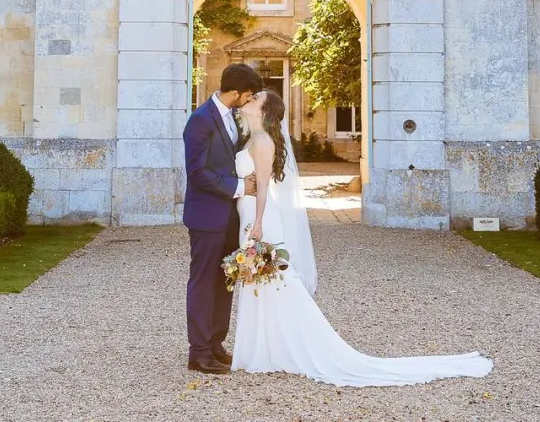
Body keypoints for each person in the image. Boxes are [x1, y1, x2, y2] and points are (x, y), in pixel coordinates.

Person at [231, 90, 494, 387]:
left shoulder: (263, 141)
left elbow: (264, 188)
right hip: (250, 216)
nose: (248, 101)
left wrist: (259, 225)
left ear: (264, 112)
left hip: (260, 220)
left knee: (274, 284)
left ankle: (285, 349)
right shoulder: (251, 138)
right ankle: (264, 350)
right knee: (259, 283)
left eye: (255, 100)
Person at [182, 61, 263, 374]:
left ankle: (216, 343)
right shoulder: (199, 121)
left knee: (225, 281)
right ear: (234, 92)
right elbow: (197, 171)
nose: (248, 100)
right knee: (203, 282)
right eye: (248, 95)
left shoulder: (234, 117)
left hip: (231, 216)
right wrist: (240, 187)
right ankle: (198, 351)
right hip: (206, 215)